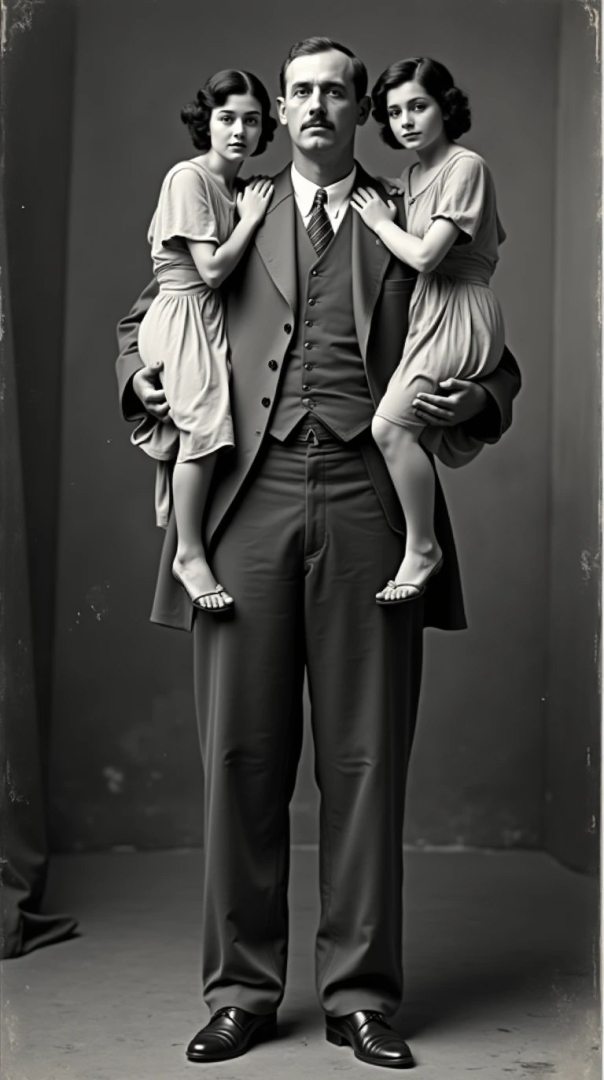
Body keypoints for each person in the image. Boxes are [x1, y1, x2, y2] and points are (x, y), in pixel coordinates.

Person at [116, 37, 521, 1070]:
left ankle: (360, 996)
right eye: (296, 92)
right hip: (243, 502)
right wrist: (143, 386)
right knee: (239, 758)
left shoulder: (413, 206)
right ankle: (241, 991)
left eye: (334, 92)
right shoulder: (224, 201)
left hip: (369, 502)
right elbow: (147, 316)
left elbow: (493, 355)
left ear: (361, 111)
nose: (311, 108)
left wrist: (468, 396)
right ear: (281, 109)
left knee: (366, 758)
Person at [351, 58, 506, 604]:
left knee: (390, 429)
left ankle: (423, 548)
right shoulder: (414, 176)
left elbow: (424, 255)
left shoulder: (467, 167)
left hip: (458, 307)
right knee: (402, 429)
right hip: (428, 311)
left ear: (445, 105)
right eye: (394, 113)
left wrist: (379, 222)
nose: (406, 121)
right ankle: (418, 545)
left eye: (418, 106)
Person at [131, 69, 275, 612]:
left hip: (207, 317)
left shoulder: (235, 188)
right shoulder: (188, 179)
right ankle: (187, 554)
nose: (239, 130)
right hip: (183, 314)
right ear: (206, 122)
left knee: (215, 425)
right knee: (207, 425)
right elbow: (211, 270)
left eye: (252, 120)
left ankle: (195, 544)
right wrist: (251, 219)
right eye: (227, 118)